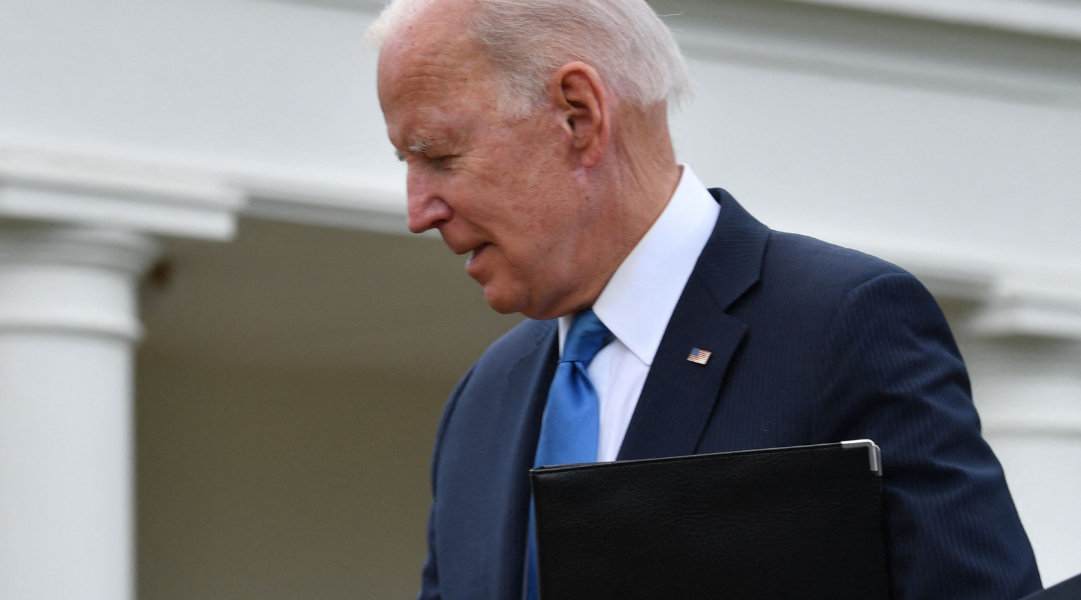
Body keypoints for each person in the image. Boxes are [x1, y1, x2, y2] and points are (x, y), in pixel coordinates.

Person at [366, 0, 1044, 599]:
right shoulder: (482, 402)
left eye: (439, 155)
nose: (418, 211)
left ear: (578, 115)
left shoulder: (842, 325)